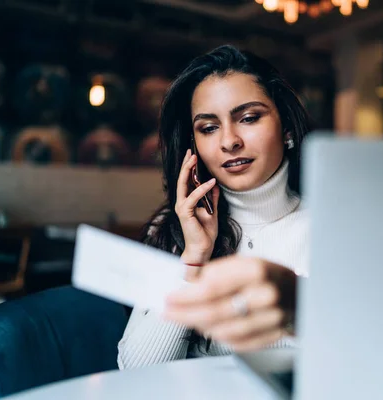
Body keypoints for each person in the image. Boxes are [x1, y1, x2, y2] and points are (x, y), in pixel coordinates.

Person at [117, 44, 312, 369]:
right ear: (194, 146)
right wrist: (193, 259)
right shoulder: (172, 229)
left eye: (249, 118)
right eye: (208, 128)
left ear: (286, 126)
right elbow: (136, 372)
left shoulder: (331, 229)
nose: (229, 141)